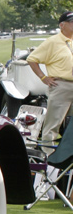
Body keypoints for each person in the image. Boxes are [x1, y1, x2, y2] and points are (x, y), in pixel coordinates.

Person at [28, 11, 73, 142]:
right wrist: (43, 77)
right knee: (53, 124)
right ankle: (48, 156)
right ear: (62, 25)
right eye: (72, 22)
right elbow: (32, 58)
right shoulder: (53, 42)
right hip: (61, 85)